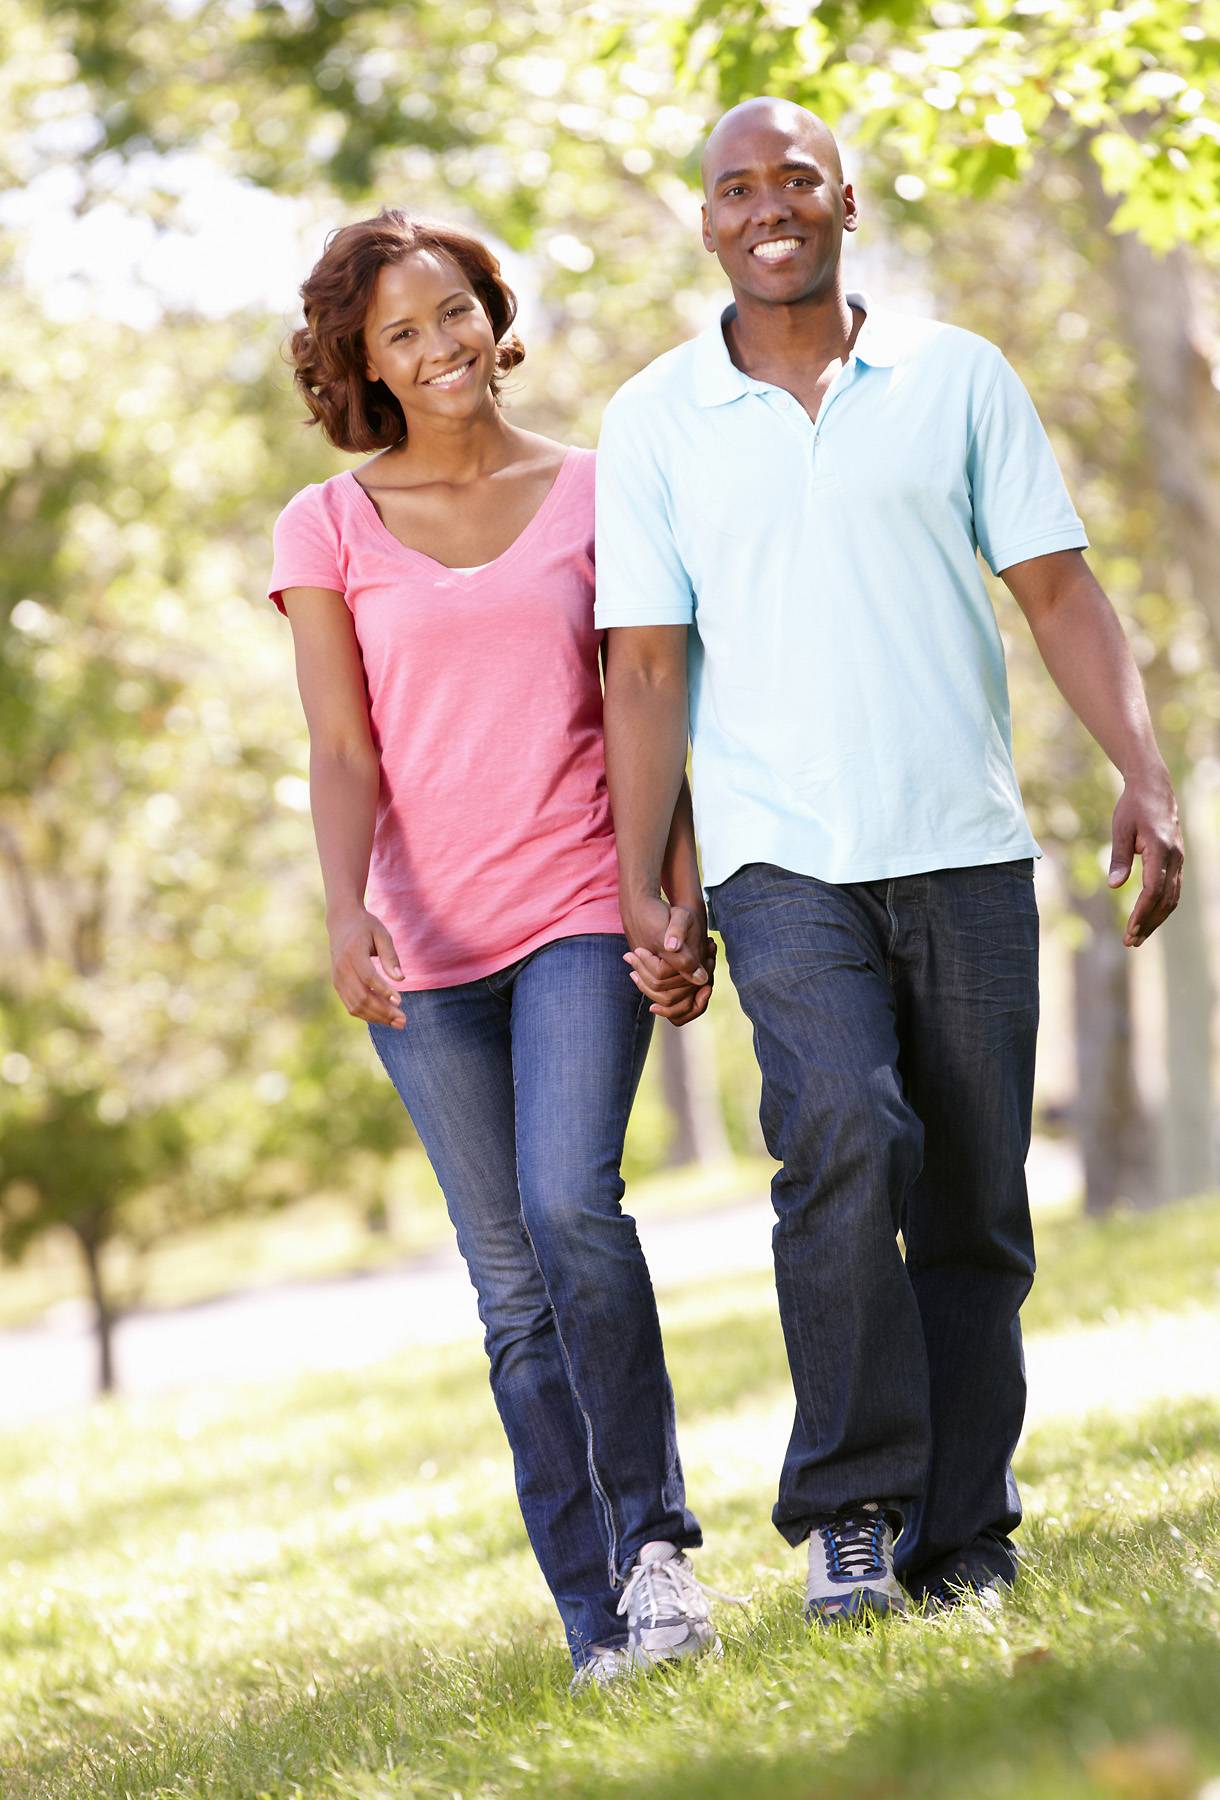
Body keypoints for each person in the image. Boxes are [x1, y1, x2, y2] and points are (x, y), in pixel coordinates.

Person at [595, 100, 1183, 1624]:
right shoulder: (657, 418)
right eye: (736, 186)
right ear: (707, 222)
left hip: (969, 852)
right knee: (845, 1133)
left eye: (796, 177)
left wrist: (1145, 770)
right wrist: (642, 880)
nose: (768, 204)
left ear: (846, 198)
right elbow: (648, 668)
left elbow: (1058, 592)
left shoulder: (957, 377)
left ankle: (964, 1531)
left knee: (977, 1201)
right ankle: (852, 1508)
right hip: (782, 863)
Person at [268, 208, 722, 1688]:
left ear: (492, 311)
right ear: (364, 364)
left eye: (455, 310)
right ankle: (597, 1617)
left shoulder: (601, 489)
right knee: (507, 1280)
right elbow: (342, 747)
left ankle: (657, 1553)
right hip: (431, 947)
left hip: (581, 903)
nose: (442, 344)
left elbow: (651, 699)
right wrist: (346, 910)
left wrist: (674, 887)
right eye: (403, 331)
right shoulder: (326, 526)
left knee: (568, 1205)